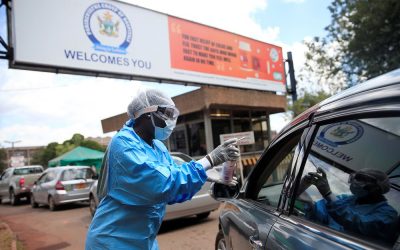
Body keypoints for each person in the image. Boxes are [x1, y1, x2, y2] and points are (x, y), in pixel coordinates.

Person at [85, 88, 240, 250]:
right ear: (146, 113)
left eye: (173, 115)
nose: (171, 121)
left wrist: (208, 176)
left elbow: (172, 189)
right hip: (112, 240)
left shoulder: (158, 147)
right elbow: (162, 183)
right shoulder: (123, 144)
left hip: (144, 240)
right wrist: (209, 160)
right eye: (167, 114)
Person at [299, 168, 398, 243]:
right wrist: (310, 203)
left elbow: (359, 224)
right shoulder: (345, 199)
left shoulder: (388, 215)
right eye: (354, 178)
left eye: (361, 180)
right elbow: (320, 217)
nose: (354, 183)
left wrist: (328, 194)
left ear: (376, 188)